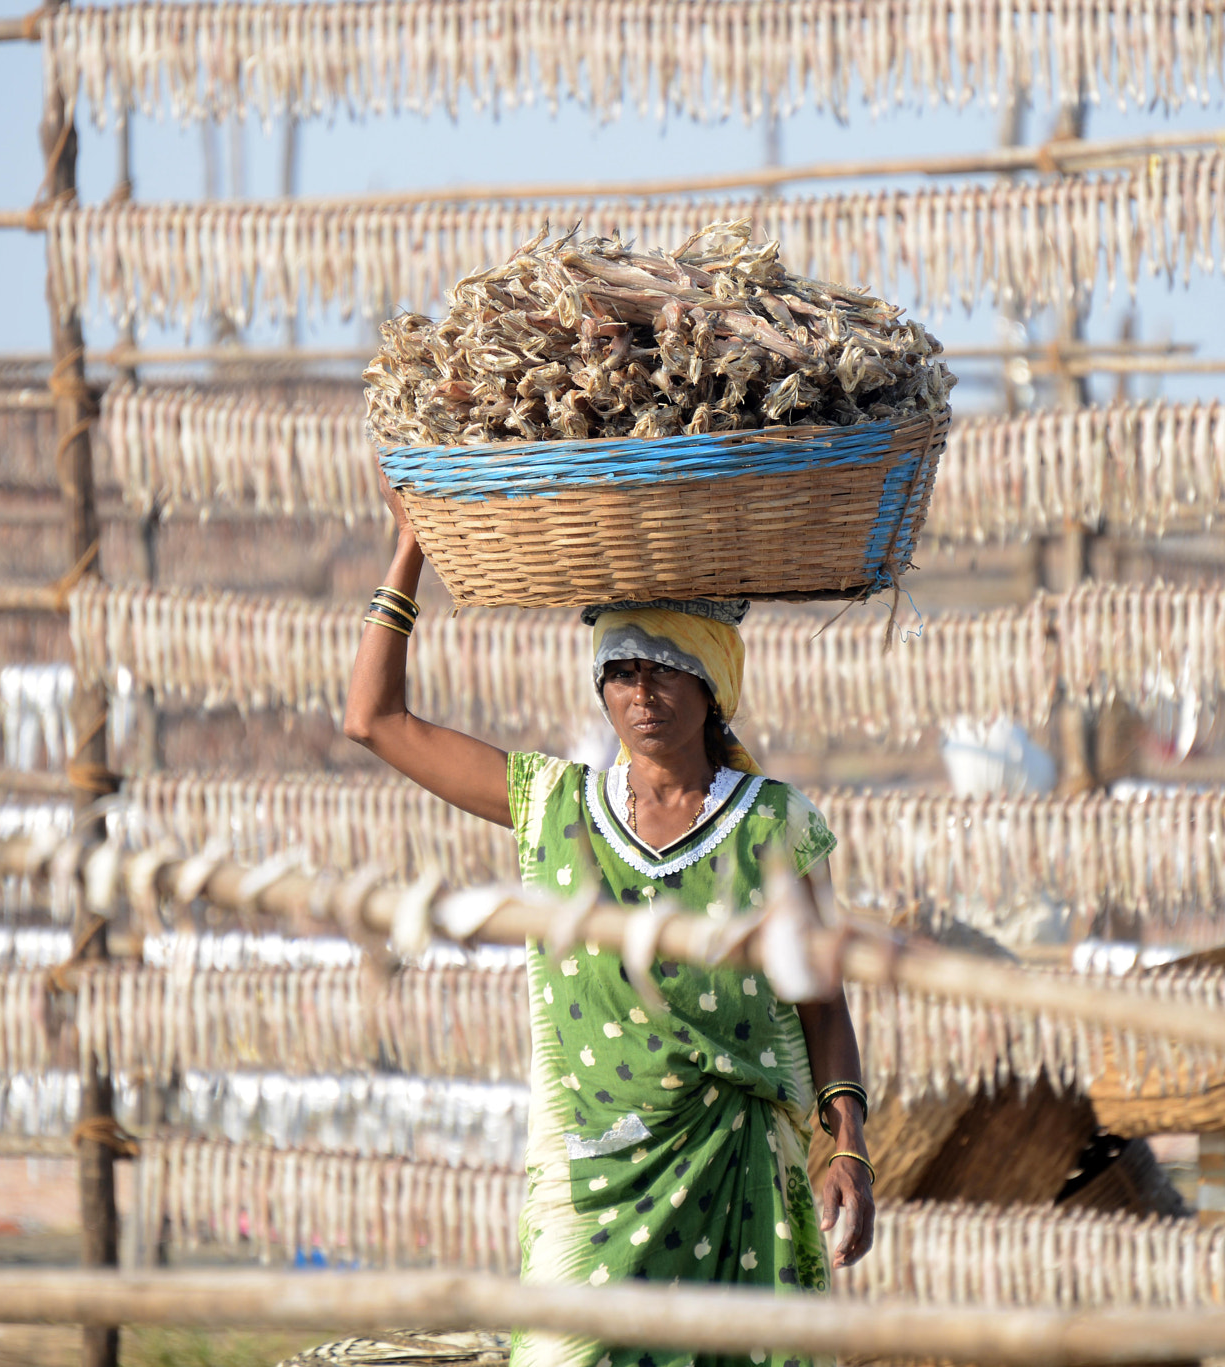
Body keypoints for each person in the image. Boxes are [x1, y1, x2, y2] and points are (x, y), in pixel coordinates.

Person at [344, 472, 875, 1367]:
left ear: (713, 685)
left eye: (667, 669)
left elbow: (822, 1003)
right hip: (589, 1185)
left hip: (739, 1171)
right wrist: (410, 553)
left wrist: (849, 1145)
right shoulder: (554, 805)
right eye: (622, 672)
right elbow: (374, 720)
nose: (643, 694)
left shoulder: (773, 823)